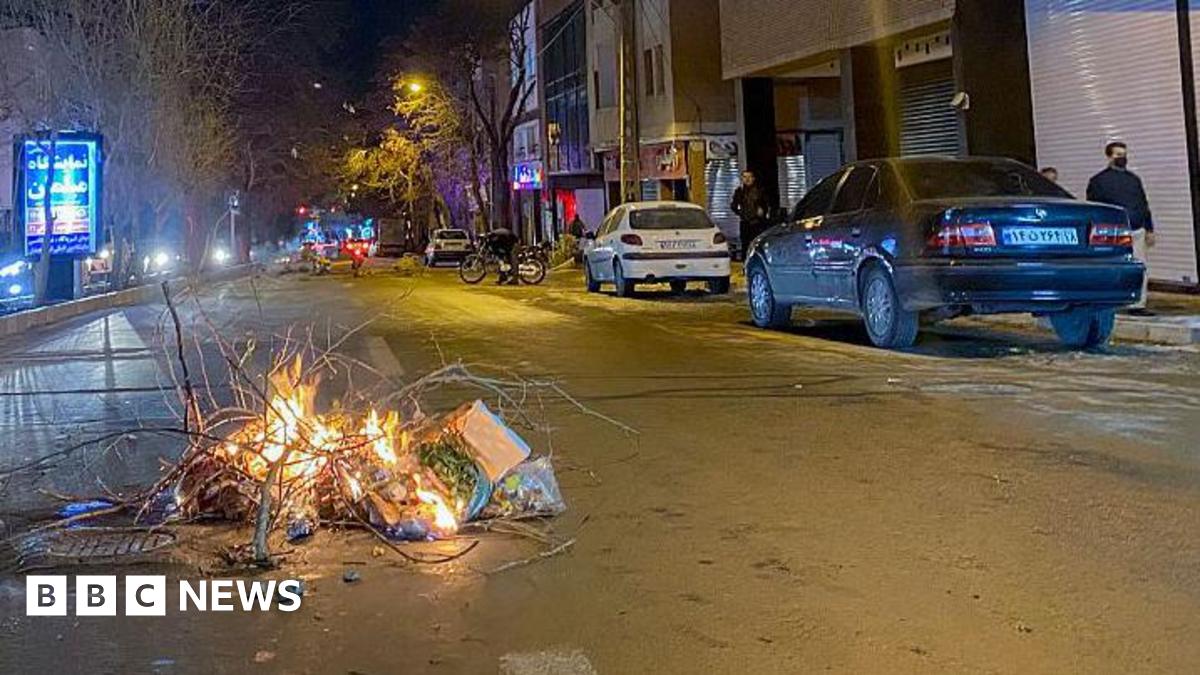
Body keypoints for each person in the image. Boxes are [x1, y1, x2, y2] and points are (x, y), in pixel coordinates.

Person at [1086, 142, 1155, 315]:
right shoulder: (1099, 181)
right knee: (1115, 266)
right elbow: (1095, 207)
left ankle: (1137, 303)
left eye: (1123, 154)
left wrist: (1149, 228)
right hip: (1113, 228)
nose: (1122, 158)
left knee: (1139, 266)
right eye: (1118, 154)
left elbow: (1143, 204)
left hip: (1133, 227)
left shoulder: (1133, 179)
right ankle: (1115, 301)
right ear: (1109, 156)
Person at [731, 170, 769, 260]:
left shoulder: (760, 191)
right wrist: (741, 213)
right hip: (744, 222)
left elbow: (766, 204)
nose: (747, 179)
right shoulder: (739, 192)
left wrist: (762, 211)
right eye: (745, 177)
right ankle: (745, 263)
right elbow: (733, 206)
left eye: (749, 177)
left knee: (756, 244)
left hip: (757, 223)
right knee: (745, 244)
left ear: (753, 179)